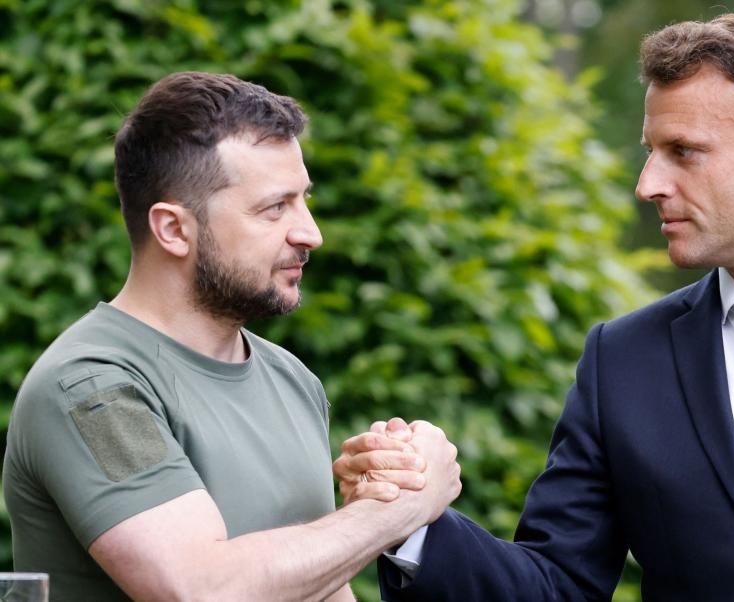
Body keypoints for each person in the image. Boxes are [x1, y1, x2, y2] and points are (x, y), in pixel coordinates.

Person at [334, 11, 734, 601]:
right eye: (651, 150)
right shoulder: (622, 358)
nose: (648, 184)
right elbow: (556, 584)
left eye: (683, 151)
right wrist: (410, 521)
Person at [2, 71, 461, 602]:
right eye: (275, 208)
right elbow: (198, 589)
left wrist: (392, 479)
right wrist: (399, 507)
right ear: (173, 229)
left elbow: (319, 591)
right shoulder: (91, 389)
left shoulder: (292, 381)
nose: (310, 232)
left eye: (304, 200)